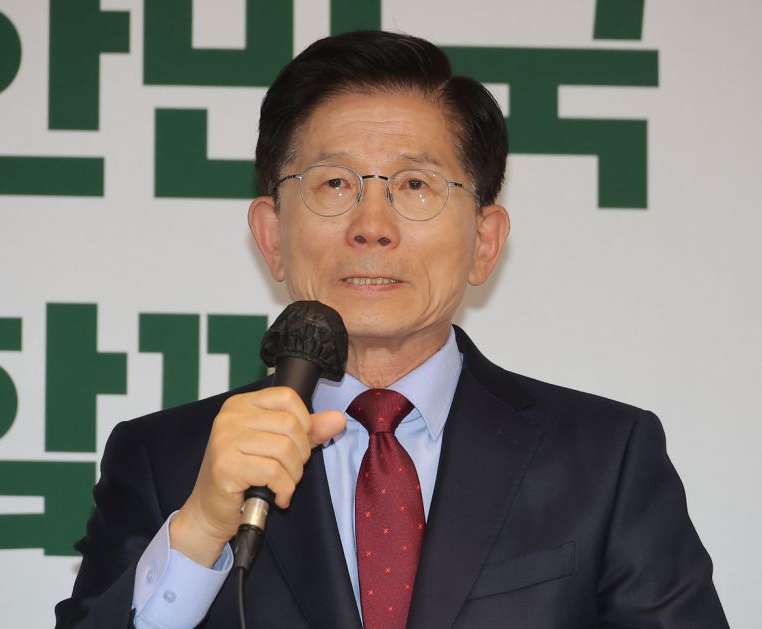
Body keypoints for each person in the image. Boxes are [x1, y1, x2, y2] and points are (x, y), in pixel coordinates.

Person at [55, 30, 729, 629]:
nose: (372, 226)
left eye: (414, 185)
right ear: (272, 235)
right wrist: (201, 528)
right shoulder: (165, 461)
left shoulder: (606, 459)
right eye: (333, 184)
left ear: (485, 242)